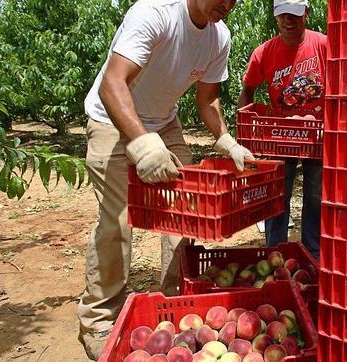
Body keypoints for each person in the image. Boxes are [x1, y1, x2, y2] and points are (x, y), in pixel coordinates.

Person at [78, 0, 253, 359]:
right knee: (118, 220)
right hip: (111, 118)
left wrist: (226, 140)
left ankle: (176, 299)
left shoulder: (219, 37)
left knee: (187, 210)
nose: (229, 4)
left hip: (163, 122)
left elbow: (208, 100)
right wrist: (142, 146)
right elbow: (113, 84)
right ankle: (98, 319)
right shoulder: (155, 12)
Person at [237, 0, 325, 259]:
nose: (289, 20)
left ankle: (313, 252)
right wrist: (244, 127)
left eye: (295, 14)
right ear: (275, 17)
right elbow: (247, 91)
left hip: (317, 135)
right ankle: (275, 252)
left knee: (315, 194)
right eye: (283, 15)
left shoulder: (323, 45)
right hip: (280, 136)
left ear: (306, 13)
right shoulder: (263, 53)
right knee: (277, 193)